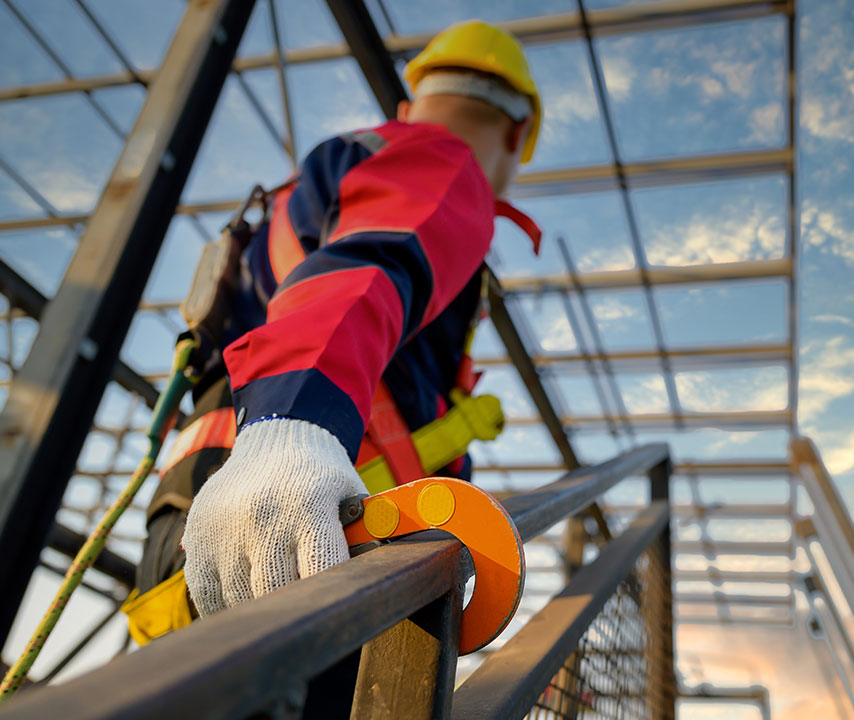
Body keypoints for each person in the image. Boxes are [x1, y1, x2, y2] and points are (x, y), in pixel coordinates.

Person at [127, 19, 543, 657]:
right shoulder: (443, 161)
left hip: (206, 514)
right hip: (305, 521)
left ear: (412, 101)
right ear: (518, 133)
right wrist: (293, 426)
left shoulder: (323, 176)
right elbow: (363, 273)